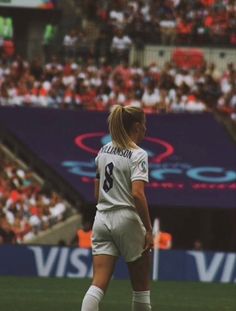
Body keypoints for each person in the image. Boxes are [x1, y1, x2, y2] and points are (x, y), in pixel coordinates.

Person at [81, 105, 153, 311]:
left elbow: (96, 193)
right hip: (126, 217)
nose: (146, 130)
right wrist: (148, 229)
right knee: (141, 288)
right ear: (137, 127)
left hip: (102, 218)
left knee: (97, 284)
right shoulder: (138, 154)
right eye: (145, 125)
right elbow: (137, 194)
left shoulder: (102, 151)